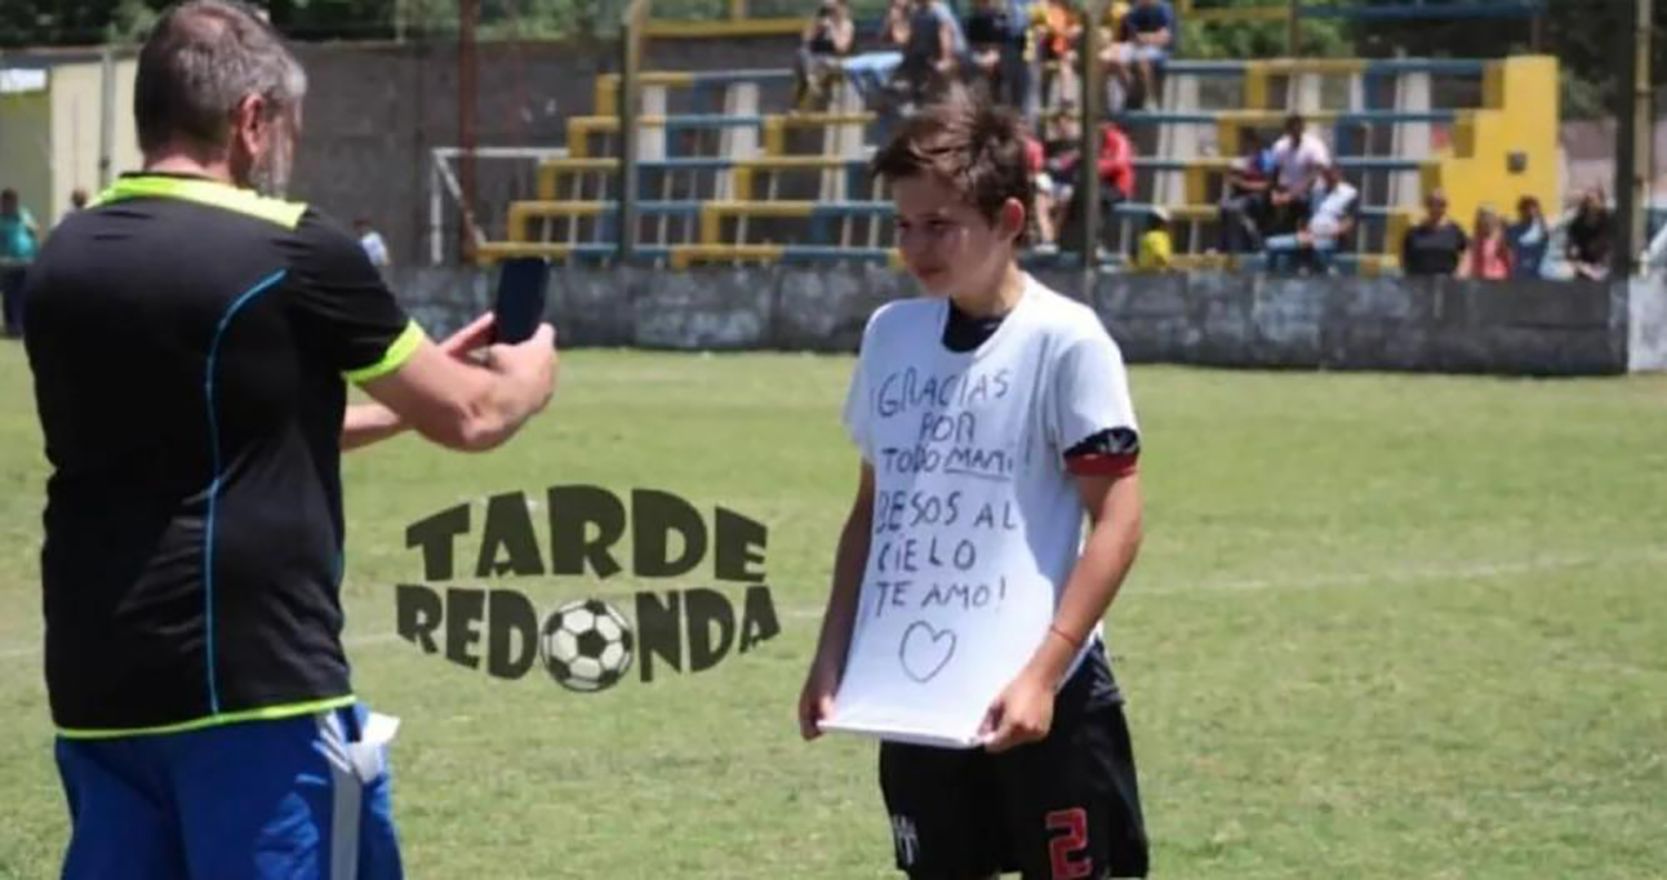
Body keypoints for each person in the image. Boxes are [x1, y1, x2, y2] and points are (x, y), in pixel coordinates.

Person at [22, 3, 557, 877]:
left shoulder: (64, 257)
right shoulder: (292, 248)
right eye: (289, 127)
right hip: (253, 683)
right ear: (250, 119)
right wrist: (528, 371)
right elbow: (475, 417)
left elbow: (217, 428)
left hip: (98, 686)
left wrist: (406, 402)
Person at [798, 94, 1149, 879]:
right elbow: (871, 511)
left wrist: (1041, 675)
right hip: (916, 695)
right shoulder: (890, 335)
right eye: (902, 224)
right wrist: (830, 656)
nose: (915, 246)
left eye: (939, 224)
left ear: (1008, 219)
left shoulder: (1066, 342)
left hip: (1046, 694)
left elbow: (1118, 522)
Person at [1263, 163, 1356, 275]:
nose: (1327, 177)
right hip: (1308, 236)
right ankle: (1271, 276)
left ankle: (1327, 274)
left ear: (1339, 174)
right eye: (1325, 174)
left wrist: (1320, 235)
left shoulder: (1349, 194)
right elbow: (1304, 219)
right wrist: (1303, 232)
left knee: (1317, 247)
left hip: (1330, 238)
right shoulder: (1317, 192)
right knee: (1271, 244)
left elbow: (1347, 226)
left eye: (1330, 173)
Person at [1267, 113, 1330, 234]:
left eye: (1298, 127)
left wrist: (1292, 195)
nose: (1295, 131)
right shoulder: (1280, 146)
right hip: (1291, 192)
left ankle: (1314, 231)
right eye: (1292, 127)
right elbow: (1275, 170)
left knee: (1313, 221)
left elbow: (1316, 174)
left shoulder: (1314, 145)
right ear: (1287, 129)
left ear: (1303, 128)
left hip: (1312, 192)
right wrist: (1274, 192)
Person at [1105, 0, 1173, 111]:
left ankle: (1148, 100)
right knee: (1111, 57)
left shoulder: (1162, 8)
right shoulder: (1135, 9)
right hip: (1137, 47)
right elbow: (1132, 36)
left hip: (1156, 49)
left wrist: (1146, 38)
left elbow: (1165, 38)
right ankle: (1129, 96)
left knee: (1142, 62)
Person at [1217, 129, 1274, 254]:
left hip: (1260, 198)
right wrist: (1232, 179)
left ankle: (1255, 242)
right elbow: (1233, 179)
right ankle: (1225, 245)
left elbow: (1267, 186)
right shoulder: (1244, 159)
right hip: (1244, 196)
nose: (1248, 145)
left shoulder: (1266, 158)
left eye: (1251, 142)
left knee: (1236, 207)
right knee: (1224, 206)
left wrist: (1243, 184)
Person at [795, 0, 856, 110]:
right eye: (829, 11)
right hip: (816, 61)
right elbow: (805, 40)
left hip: (835, 60)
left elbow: (841, 49)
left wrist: (832, 29)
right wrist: (817, 25)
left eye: (834, 10)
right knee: (801, 53)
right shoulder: (822, 23)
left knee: (821, 63)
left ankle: (810, 83)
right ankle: (811, 82)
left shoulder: (846, 25)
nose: (832, 13)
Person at [0, 188, 40, 338]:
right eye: (8, 201)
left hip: (26, 260)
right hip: (8, 263)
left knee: (23, 294)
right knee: (11, 295)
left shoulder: (23, 214)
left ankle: (19, 325)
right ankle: (13, 326)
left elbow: (34, 230)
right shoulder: (1, 219)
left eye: (14, 201)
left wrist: (32, 229)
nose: (12, 204)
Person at [1400, 189, 1468, 277]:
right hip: (1419, 281)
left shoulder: (1455, 231)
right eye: (1432, 204)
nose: (1436, 208)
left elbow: (1468, 252)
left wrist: (1461, 271)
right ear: (1426, 205)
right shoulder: (1414, 232)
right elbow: (1404, 259)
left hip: (1447, 281)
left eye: (1441, 204)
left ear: (1446, 206)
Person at [1564, 187, 1612, 281]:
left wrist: (1605, 262)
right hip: (1583, 269)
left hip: (1604, 270)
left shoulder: (1609, 221)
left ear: (1601, 201)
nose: (1591, 204)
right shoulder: (1577, 222)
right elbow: (1570, 246)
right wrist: (1577, 262)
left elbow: (1613, 245)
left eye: (1594, 200)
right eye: (1588, 200)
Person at [1504, 195, 1549, 280]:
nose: (1532, 214)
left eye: (1535, 211)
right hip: (1521, 272)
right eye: (1529, 211)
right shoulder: (1513, 230)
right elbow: (1509, 250)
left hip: (1536, 272)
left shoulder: (1544, 230)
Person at [1462, 205, 1511, 280]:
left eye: (1490, 216)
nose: (1487, 220)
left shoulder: (1502, 239)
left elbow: (1510, 261)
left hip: (1499, 281)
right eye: (1484, 217)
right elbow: (1466, 263)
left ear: (1495, 219)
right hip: (1480, 281)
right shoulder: (1474, 241)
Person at [1134, 206, 1172, 271]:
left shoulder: (1145, 236)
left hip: (1144, 272)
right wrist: (1170, 270)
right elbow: (1159, 256)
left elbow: (1136, 257)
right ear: (1161, 222)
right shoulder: (1157, 236)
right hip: (1156, 273)